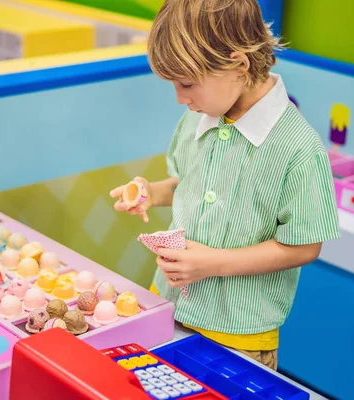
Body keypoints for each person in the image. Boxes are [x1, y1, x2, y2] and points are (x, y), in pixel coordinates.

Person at [110, 0, 339, 371]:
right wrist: (154, 191)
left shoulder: (300, 149)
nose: (180, 98)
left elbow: (305, 246)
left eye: (187, 83)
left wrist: (213, 264)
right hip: (167, 306)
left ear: (238, 63)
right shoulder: (196, 118)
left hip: (238, 334)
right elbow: (186, 183)